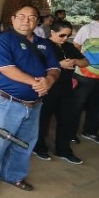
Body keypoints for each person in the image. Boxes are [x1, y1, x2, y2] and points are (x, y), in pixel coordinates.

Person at [0, 5, 60, 195]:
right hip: (5, 103)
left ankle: (13, 175)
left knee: (24, 143)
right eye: (21, 16)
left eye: (31, 17)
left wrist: (49, 80)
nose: (26, 20)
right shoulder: (3, 40)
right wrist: (36, 83)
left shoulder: (44, 44)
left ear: (37, 21)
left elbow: (54, 68)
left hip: (34, 104)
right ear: (13, 19)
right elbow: (6, 68)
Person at [32, 20, 87, 165]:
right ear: (52, 32)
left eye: (68, 36)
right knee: (42, 119)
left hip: (66, 88)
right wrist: (59, 64)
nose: (65, 38)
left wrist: (74, 61)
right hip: (47, 88)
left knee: (66, 120)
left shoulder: (69, 46)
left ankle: (63, 150)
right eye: (62, 35)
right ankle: (39, 147)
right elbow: (33, 66)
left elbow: (86, 62)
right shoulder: (42, 45)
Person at [70, 0, 99, 146]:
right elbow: (75, 48)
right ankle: (70, 133)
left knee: (98, 105)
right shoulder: (88, 28)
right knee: (76, 104)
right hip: (84, 75)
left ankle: (90, 131)